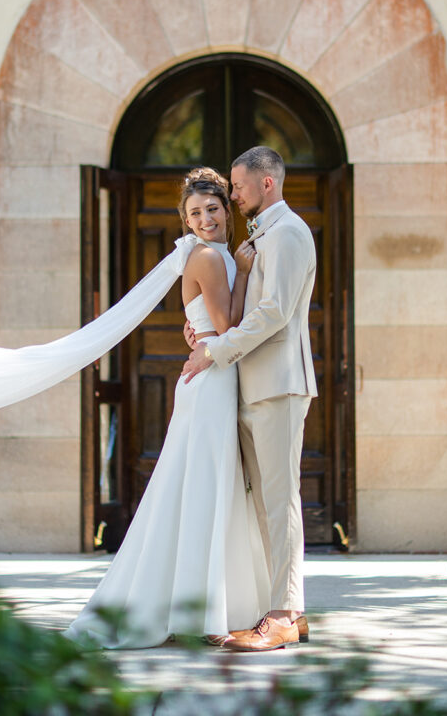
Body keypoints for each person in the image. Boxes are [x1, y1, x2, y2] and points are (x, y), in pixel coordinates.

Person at [65, 167, 270, 648]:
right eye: (195, 214)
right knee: (204, 487)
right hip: (211, 382)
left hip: (214, 375)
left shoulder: (215, 254)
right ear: (185, 219)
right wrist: (242, 272)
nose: (205, 219)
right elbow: (229, 322)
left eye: (213, 209)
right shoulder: (209, 258)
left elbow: (212, 325)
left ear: (226, 208)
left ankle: (210, 605)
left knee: (208, 487)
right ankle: (201, 611)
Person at [182, 146, 317, 652]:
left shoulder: (288, 233)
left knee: (280, 501)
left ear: (267, 184)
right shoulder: (265, 235)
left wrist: (214, 349)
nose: (231, 195)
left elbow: (274, 313)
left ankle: (282, 616)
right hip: (253, 385)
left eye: (237, 187)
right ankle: (288, 610)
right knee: (265, 502)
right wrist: (202, 330)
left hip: (279, 384)